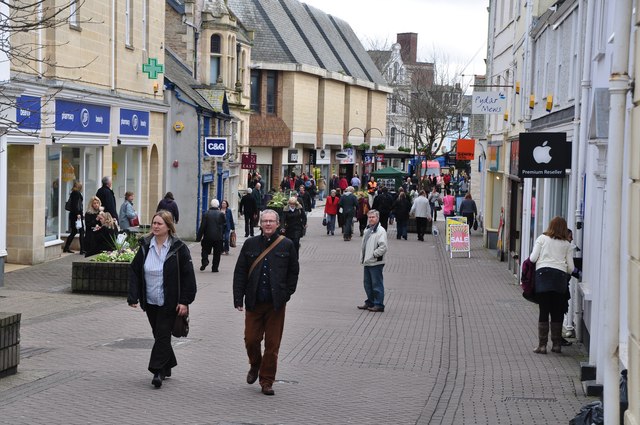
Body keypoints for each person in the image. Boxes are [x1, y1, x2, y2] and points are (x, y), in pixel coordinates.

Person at [233, 209, 299, 396]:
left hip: (275, 305)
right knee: (251, 340)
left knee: (272, 345)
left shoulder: (287, 245)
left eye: (271, 221)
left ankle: (267, 380)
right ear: (260, 224)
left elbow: (293, 272)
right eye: (265, 221)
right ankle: (255, 364)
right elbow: (240, 272)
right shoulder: (250, 244)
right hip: (254, 302)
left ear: (278, 224)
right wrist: (238, 298)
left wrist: (287, 294)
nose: (268, 224)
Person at [128, 210, 197, 388]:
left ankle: (157, 370)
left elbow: (188, 277)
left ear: (168, 227)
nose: (155, 226)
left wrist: (184, 301)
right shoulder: (145, 246)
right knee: (160, 335)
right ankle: (168, 364)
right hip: (150, 300)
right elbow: (135, 271)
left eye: (159, 224)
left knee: (163, 334)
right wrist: (133, 295)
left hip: (170, 301)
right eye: (154, 223)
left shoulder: (179, 249)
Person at [528, 216, 574, 354]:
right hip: (559, 279)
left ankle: (542, 346)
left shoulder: (542, 239)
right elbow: (571, 268)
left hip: (543, 277)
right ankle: (556, 345)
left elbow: (532, 258)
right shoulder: (567, 244)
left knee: (544, 311)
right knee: (557, 312)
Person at [357, 209, 388, 313]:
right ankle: (370, 301)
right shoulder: (368, 230)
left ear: (377, 218)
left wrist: (374, 255)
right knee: (367, 283)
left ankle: (379, 304)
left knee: (376, 284)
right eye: (369, 217)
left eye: (373, 217)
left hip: (375, 262)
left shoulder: (380, 231)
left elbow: (383, 247)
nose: (371, 219)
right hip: (367, 261)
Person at [196, 199, 226, 273]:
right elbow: (224, 224)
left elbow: (202, 226)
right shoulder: (221, 214)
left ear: (211, 205)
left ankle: (205, 261)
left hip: (208, 236)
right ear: (218, 205)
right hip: (218, 237)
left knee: (205, 250)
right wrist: (222, 233)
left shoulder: (206, 214)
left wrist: (199, 237)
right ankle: (215, 268)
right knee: (217, 253)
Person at [63, 181, 85, 254]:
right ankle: (82, 249)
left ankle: (66, 247)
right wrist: (78, 214)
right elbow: (75, 205)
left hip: (73, 215)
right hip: (77, 215)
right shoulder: (76, 193)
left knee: (74, 231)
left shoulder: (73, 193)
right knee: (81, 231)